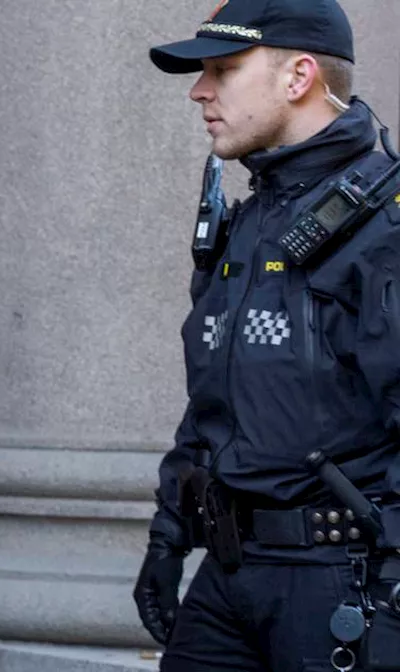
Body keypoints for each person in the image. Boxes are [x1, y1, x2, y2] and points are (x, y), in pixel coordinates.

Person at [137, 1, 400, 670]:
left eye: (223, 70)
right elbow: (215, 397)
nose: (200, 90)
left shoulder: (383, 227)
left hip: (343, 580)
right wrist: (169, 534)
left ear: (299, 76)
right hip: (231, 577)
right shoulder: (254, 216)